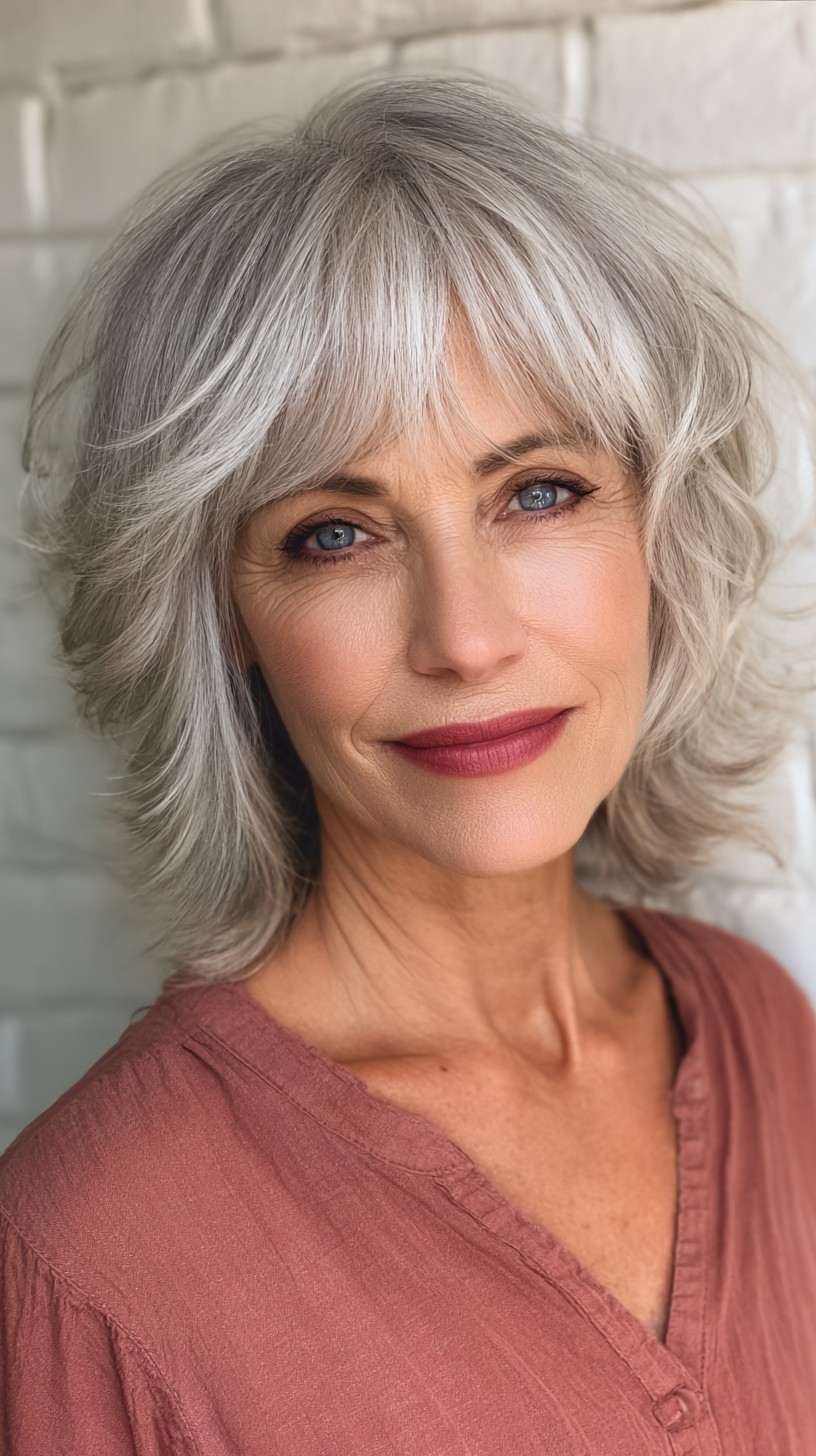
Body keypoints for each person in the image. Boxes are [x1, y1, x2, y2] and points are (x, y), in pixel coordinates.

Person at [1, 70, 815, 1454]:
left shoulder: (759, 1026)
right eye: (336, 532)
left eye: (539, 492)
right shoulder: (90, 1259)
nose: (466, 635)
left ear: (655, 534)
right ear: (226, 618)